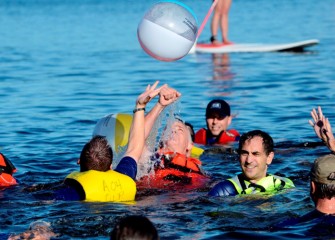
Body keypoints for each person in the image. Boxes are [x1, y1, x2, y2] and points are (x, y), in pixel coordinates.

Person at [55, 81, 168, 201]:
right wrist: (143, 106)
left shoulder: (73, 191)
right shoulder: (125, 177)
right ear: (110, 166)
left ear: (79, 161)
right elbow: (135, 146)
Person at [137, 86, 210, 190]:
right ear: (161, 139)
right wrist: (159, 105)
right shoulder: (151, 160)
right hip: (154, 201)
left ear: (189, 145)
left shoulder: (200, 171)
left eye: (179, 129)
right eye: (167, 129)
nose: (173, 131)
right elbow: (138, 137)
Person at [208, 130, 295, 197]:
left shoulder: (285, 184)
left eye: (255, 154)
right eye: (244, 153)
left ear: (269, 158)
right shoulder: (223, 191)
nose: (249, 160)